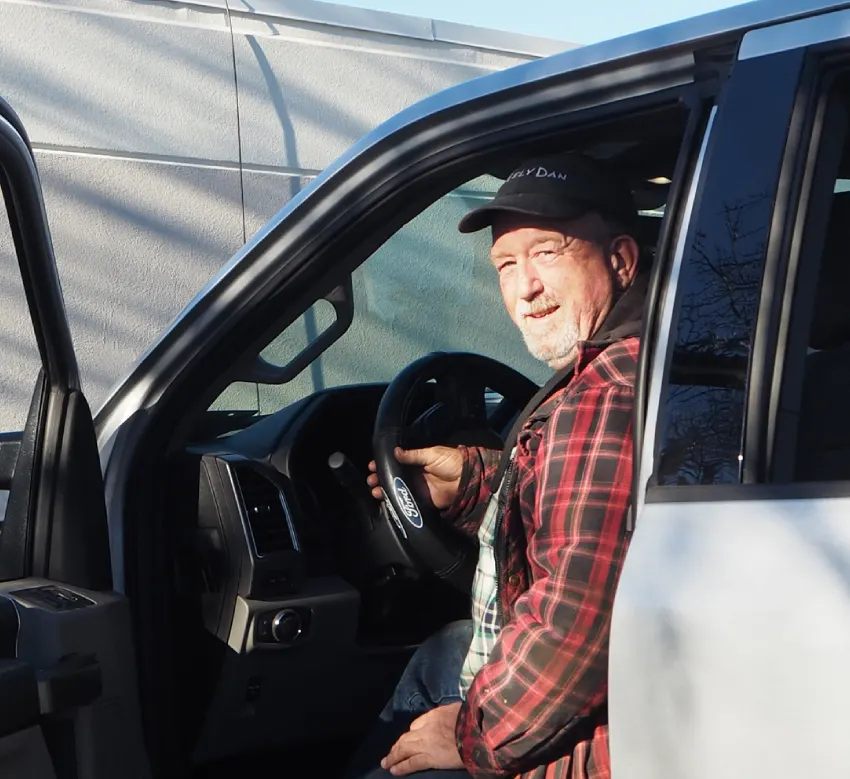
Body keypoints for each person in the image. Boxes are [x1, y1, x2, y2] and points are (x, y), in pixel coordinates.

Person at [352, 152, 647, 779]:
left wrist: (470, 735)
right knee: (443, 650)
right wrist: (476, 484)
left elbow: (575, 626)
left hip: (598, 750)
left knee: (412, 736)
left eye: (547, 253)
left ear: (620, 260)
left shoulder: (605, 399)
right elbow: (600, 524)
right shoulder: (650, 362)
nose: (524, 288)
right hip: (629, 696)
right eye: (506, 264)